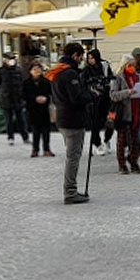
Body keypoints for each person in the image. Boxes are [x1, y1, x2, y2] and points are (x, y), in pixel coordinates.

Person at [49, 43, 90, 204]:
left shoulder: (57, 71)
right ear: (75, 55)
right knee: (73, 157)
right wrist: (91, 95)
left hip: (62, 118)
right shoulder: (69, 73)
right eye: (81, 56)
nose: (81, 60)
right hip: (73, 120)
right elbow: (76, 98)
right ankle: (70, 191)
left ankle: (70, 189)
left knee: (71, 156)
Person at [110, 57, 140, 174]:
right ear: (124, 65)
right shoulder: (118, 78)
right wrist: (127, 92)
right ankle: (122, 163)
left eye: (133, 65)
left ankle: (134, 161)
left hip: (136, 111)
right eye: (130, 65)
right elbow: (113, 95)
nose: (132, 68)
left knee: (135, 139)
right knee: (122, 139)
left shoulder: (138, 77)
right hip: (123, 112)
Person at [83, 49, 114, 157]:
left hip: (106, 98)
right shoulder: (87, 70)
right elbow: (83, 84)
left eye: (92, 57)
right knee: (95, 123)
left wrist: (105, 82)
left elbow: (111, 79)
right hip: (93, 100)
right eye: (88, 58)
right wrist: (92, 89)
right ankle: (97, 143)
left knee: (110, 121)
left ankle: (107, 140)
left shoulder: (105, 66)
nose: (90, 60)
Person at [0, 52, 29, 146]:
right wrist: (1, 94)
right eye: (9, 59)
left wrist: (22, 94)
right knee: (8, 120)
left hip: (18, 98)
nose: (11, 61)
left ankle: (25, 137)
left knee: (21, 119)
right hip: (6, 99)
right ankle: (10, 137)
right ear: (5, 60)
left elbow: (23, 82)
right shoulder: (1, 71)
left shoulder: (19, 70)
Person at [23, 61, 54, 157]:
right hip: (33, 109)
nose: (37, 71)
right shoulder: (26, 83)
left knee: (46, 131)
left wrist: (46, 99)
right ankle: (35, 149)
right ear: (30, 71)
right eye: (34, 69)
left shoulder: (46, 82)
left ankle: (46, 149)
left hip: (44, 109)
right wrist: (34, 99)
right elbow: (23, 96)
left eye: (38, 69)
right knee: (35, 131)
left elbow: (52, 94)